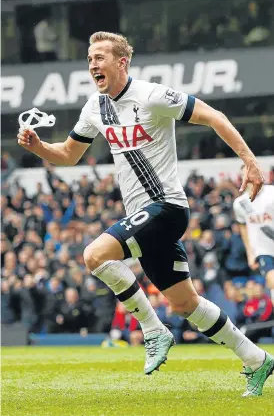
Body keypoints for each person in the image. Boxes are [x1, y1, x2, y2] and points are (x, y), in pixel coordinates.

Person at [17, 31, 273, 396]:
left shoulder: (153, 96)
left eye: (100, 57)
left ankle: (152, 330)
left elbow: (215, 116)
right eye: (90, 58)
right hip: (145, 217)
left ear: (122, 62)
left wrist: (250, 161)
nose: (92, 64)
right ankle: (256, 359)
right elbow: (69, 155)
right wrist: (40, 146)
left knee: (94, 254)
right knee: (186, 304)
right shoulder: (95, 107)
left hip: (167, 207)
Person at [233, 165, 274, 305]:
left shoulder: (272, 193)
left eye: (249, 175)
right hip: (263, 250)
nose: (247, 179)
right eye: (244, 176)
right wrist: (250, 253)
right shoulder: (240, 204)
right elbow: (243, 228)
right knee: (272, 279)